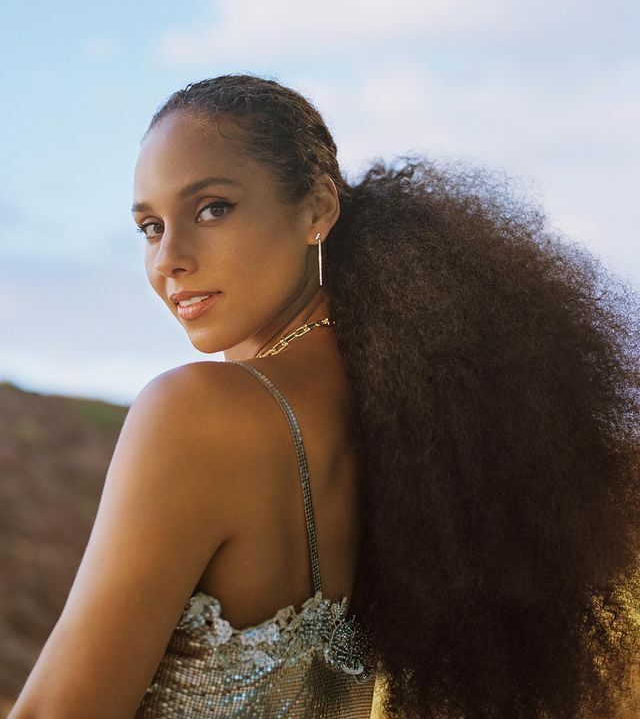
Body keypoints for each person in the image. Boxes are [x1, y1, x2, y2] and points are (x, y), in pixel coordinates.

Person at [8, 74, 640, 719]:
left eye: (211, 209)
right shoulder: (414, 427)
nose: (169, 257)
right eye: (149, 226)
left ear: (317, 210)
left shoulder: (197, 411)